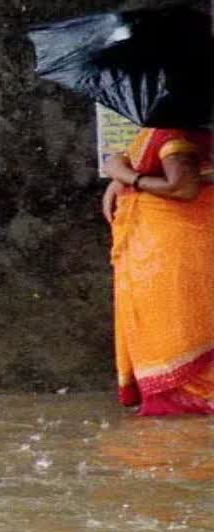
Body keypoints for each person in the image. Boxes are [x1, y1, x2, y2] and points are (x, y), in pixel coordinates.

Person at [102, 126, 214, 415]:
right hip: (163, 243)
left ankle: (193, 399)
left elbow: (183, 186)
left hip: (174, 245)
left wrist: (127, 176)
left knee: (178, 321)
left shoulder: (173, 132)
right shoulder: (170, 128)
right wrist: (120, 168)